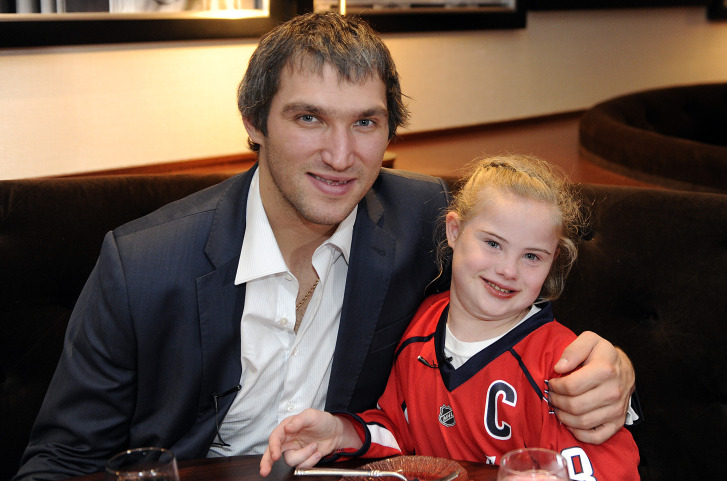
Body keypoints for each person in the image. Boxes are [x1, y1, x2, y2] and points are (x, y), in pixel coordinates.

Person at [13, 12, 635, 481]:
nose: (341, 157)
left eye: (365, 122)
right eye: (308, 117)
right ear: (254, 122)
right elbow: (60, 461)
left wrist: (613, 370)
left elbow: (522, 288)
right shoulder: (143, 264)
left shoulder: (424, 218)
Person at [259, 155, 640, 480]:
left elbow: (612, 467)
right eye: (493, 243)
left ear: (553, 260)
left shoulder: (564, 365)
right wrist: (341, 433)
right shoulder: (420, 324)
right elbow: (400, 432)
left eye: (531, 256)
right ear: (454, 231)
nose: (508, 270)